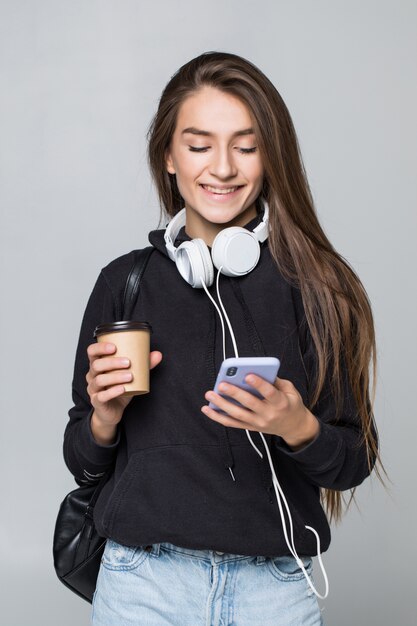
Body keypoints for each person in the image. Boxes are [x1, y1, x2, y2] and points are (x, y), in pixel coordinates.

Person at [63, 51, 381, 625]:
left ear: (270, 155)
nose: (224, 167)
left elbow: (354, 462)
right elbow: (82, 461)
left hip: (275, 589)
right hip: (142, 584)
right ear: (168, 155)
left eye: (246, 145)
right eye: (199, 143)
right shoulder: (124, 283)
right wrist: (104, 418)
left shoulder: (318, 289)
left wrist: (295, 425)